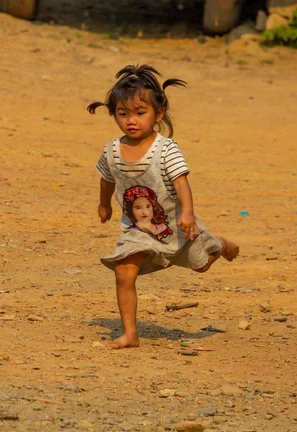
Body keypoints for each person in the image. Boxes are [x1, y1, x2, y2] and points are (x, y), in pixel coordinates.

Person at [88, 64, 239, 349]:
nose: (131, 121)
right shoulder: (111, 150)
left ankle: (218, 243)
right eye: (123, 114)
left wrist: (187, 213)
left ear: (158, 114)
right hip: (139, 229)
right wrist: (103, 204)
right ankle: (130, 334)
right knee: (124, 270)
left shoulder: (166, 149)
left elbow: (182, 183)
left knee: (202, 266)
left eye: (139, 113)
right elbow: (106, 177)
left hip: (177, 226)